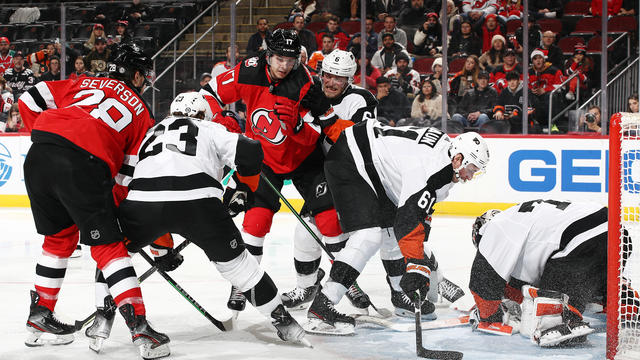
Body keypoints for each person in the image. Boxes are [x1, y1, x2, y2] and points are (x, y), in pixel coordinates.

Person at [114, 91, 309, 347]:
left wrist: (161, 250)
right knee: (241, 268)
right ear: (203, 114)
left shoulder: (149, 133)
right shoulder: (207, 126)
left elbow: (136, 183)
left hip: (143, 204)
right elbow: (250, 150)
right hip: (200, 203)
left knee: (111, 256)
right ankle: (283, 321)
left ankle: (107, 317)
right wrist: (242, 187)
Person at [17, 43, 170, 358]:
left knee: (58, 239)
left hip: (39, 155)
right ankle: (140, 328)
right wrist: (117, 216)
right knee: (108, 247)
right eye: (144, 75)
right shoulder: (142, 112)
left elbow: (28, 98)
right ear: (137, 75)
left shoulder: (82, 80)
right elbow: (126, 177)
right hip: (83, 165)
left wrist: (46, 136)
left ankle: (40, 317)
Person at [200, 29, 350, 315]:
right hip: (264, 158)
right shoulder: (248, 71)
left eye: (290, 60)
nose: (284, 65)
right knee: (255, 222)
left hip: (305, 158)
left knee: (330, 220)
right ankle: (243, 282)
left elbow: (326, 127)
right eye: (279, 58)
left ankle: (345, 280)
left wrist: (296, 127)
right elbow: (210, 94)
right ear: (267, 56)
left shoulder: (305, 82)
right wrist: (218, 123)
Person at [307, 127, 490, 334]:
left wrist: (416, 262)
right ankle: (323, 304)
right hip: (352, 158)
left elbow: (418, 217)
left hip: (374, 166)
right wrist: (416, 266)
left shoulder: (444, 168)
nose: (470, 177)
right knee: (370, 235)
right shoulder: (432, 168)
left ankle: (400, 296)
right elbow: (409, 220)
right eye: (472, 169)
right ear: (458, 159)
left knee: (391, 232)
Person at [280, 49, 382, 310]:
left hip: (353, 176)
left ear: (350, 79)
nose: (332, 82)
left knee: (347, 235)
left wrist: (326, 114)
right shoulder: (310, 92)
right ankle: (307, 287)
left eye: (339, 77)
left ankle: (346, 282)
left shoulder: (361, 99)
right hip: (320, 175)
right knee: (305, 234)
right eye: (328, 75)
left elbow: (358, 141)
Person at [468, 200, 610, 346]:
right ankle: (613, 296)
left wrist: (489, 315)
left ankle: (565, 320)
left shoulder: (495, 228)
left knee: (546, 312)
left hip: (581, 241)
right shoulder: (522, 223)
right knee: (591, 272)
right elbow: (523, 284)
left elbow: (483, 282)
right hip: (614, 232)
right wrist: (503, 298)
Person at [528, 49, 563, 131]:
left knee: (550, 96)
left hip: (551, 97)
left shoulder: (554, 70)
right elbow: (525, 85)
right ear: (532, 61)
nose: (538, 61)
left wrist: (546, 89)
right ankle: (533, 122)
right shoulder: (529, 72)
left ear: (544, 59)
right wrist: (531, 89)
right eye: (535, 59)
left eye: (540, 58)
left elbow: (561, 86)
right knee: (527, 94)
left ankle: (552, 123)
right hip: (536, 97)